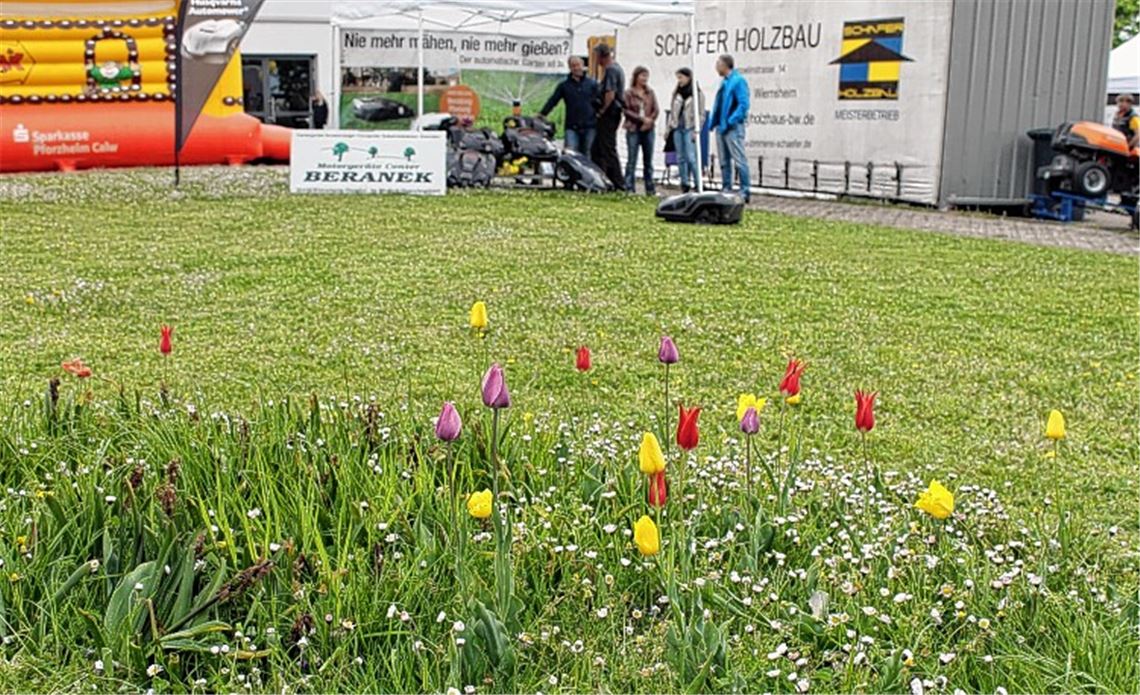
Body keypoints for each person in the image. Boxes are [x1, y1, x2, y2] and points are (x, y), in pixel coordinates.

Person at [709, 54, 750, 201]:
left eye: (718, 63)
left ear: (725, 65)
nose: (716, 67)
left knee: (739, 159)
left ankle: (745, 190)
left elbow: (743, 104)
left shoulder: (738, 81)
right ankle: (726, 187)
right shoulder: (724, 82)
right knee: (723, 160)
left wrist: (731, 120)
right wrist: (713, 122)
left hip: (733, 127)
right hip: (721, 127)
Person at [539, 56, 598, 154]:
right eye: (573, 66)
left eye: (578, 65)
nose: (576, 68)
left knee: (588, 155)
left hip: (589, 127)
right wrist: (542, 114)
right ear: (570, 68)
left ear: (583, 66)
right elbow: (553, 101)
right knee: (570, 154)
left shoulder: (592, 84)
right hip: (572, 128)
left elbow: (600, 101)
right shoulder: (564, 86)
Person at [591, 42, 626, 191]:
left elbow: (610, 94)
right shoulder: (617, 68)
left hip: (609, 114)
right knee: (598, 148)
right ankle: (603, 179)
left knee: (607, 148)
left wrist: (602, 111)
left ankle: (617, 182)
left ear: (601, 56)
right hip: (614, 113)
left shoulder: (611, 70)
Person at [623, 66, 659, 195]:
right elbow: (626, 110)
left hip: (648, 129)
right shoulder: (628, 93)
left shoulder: (650, 92)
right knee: (632, 159)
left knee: (648, 160)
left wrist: (649, 120)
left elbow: (656, 109)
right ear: (636, 77)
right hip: (633, 128)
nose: (645, 78)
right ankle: (629, 187)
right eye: (642, 75)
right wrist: (640, 119)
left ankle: (650, 188)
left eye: (646, 76)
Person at [668, 67, 704, 193]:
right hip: (678, 127)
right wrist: (669, 128)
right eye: (678, 78)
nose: (679, 80)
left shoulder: (697, 94)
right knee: (680, 157)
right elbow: (673, 111)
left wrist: (697, 129)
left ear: (688, 77)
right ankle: (684, 183)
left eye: (681, 77)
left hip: (690, 127)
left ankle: (698, 182)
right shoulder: (676, 93)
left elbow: (701, 114)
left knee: (691, 156)